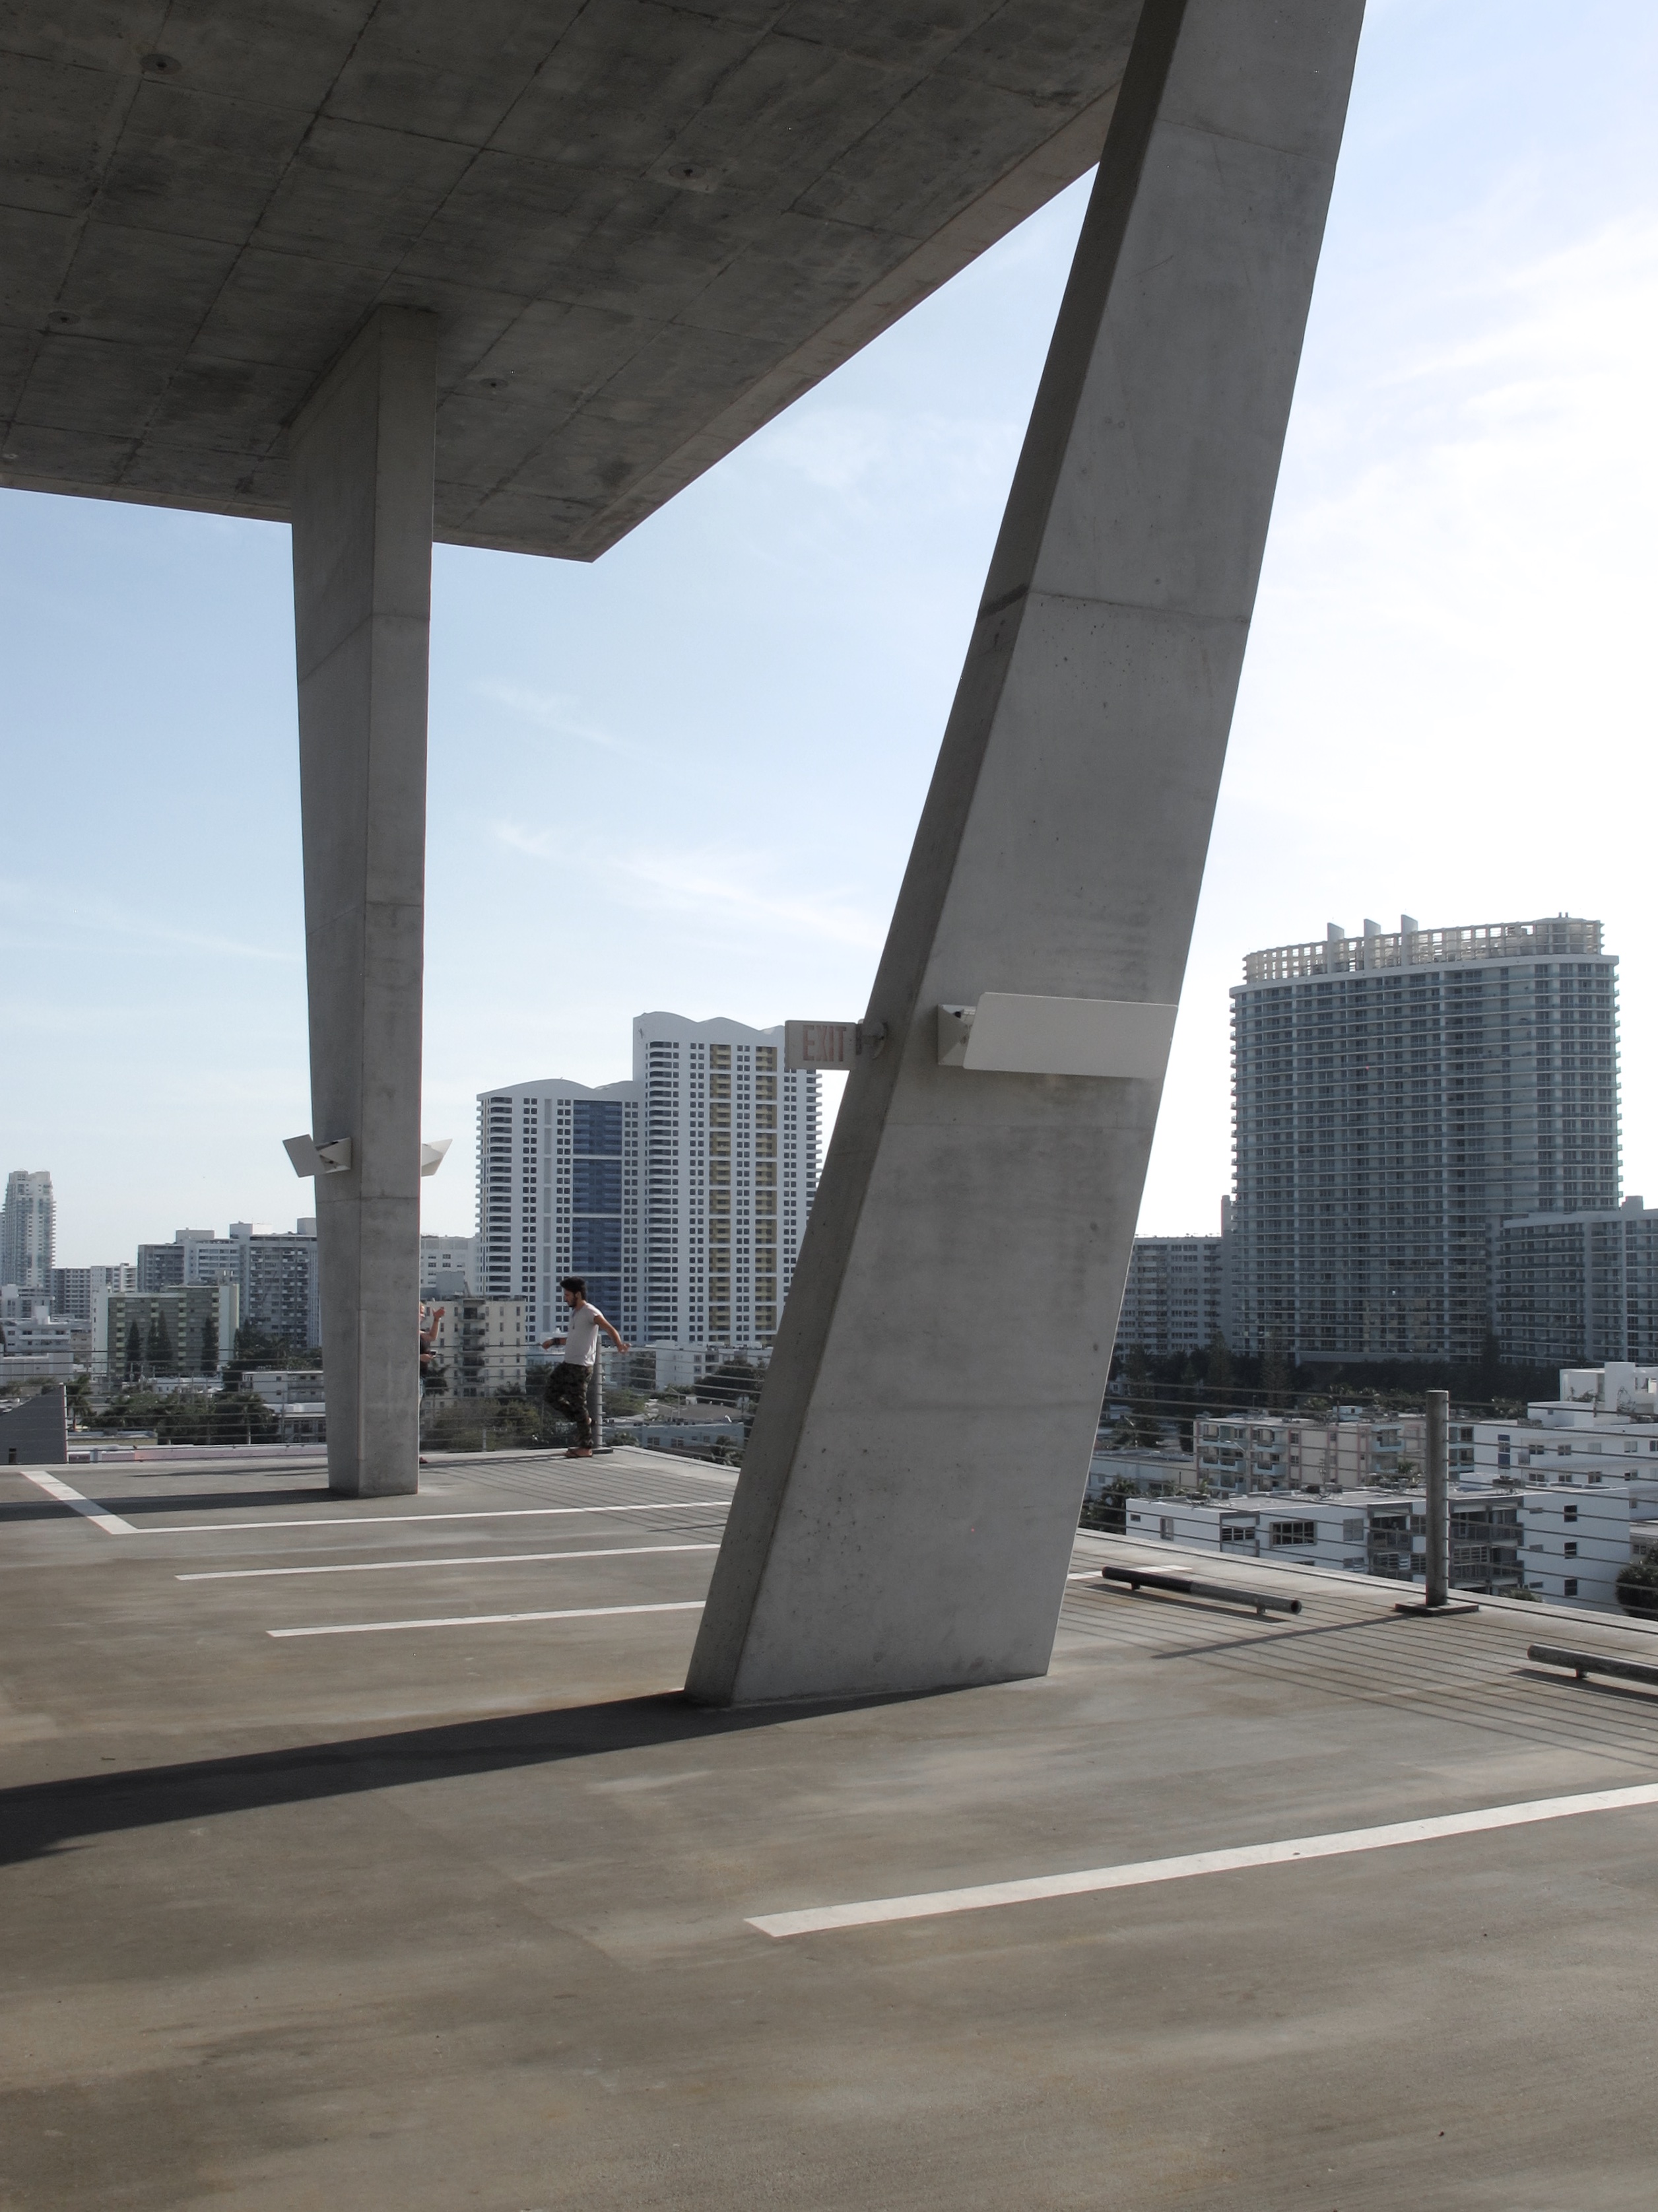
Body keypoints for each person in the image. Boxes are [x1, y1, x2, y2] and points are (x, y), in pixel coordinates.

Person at [541, 1277, 628, 1458]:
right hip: (568, 1364)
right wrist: (555, 1341)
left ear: (578, 1295)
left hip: (580, 1367)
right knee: (550, 1395)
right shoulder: (575, 1313)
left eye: (567, 1295)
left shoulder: (590, 1312)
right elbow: (573, 1338)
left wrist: (619, 1345)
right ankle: (585, 1421)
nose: (565, 1298)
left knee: (579, 1404)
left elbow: (608, 1327)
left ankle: (586, 1447)